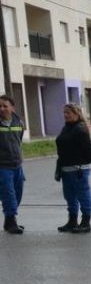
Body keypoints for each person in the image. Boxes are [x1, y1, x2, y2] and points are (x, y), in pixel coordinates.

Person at [55, 103, 91, 233]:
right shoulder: (66, 128)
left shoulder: (80, 129)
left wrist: (80, 163)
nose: (65, 115)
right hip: (66, 169)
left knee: (83, 195)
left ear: (77, 114)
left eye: (68, 113)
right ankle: (72, 221)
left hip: (78, 170)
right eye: (64, 113)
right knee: (69, 196)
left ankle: (85, 222)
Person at [0, 94, 25, 234]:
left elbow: (19, 141)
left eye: (5, 106)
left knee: (17, 193)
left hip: (17, 164)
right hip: (2, 166)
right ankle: (11, 221)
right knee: (8, 194)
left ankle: (9, 220)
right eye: (0, 106)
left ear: (12, 108)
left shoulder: (19, 122)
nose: (2, 109)